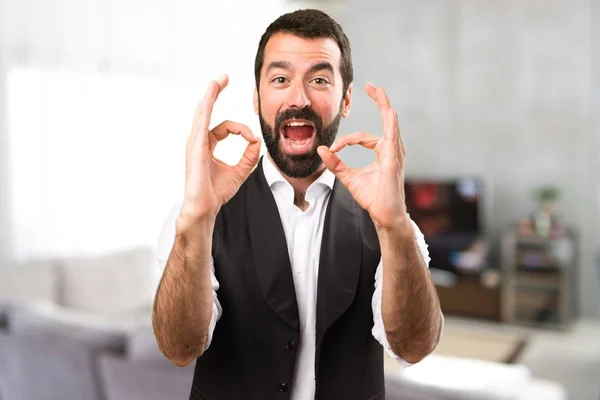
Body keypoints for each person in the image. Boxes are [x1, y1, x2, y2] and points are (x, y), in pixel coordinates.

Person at [152, 8, 443, 400]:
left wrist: (394, 226)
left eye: (320, 79)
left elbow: (414, 346)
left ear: (346, 100)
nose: (299, 98)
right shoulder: (196, 216)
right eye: (280, 79)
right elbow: (179, 348)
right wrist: (197, 221)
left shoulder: (388, 221)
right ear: (257, 97)